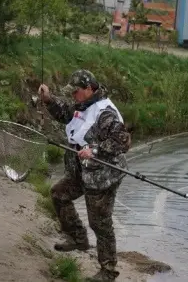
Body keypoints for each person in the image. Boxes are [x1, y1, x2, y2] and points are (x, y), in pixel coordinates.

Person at [38, 69, 131, 282]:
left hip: (102, 176)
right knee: (59, 194)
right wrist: (49, 99)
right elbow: (65, 113)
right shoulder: (82, 103)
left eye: (76, 91)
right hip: (81, 171)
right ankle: (78, 238)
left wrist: (95, 150)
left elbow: (123, 141)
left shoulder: (105, 113)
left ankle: (108, 271)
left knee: (99, 222)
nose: (73, 96)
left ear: (89, 89)